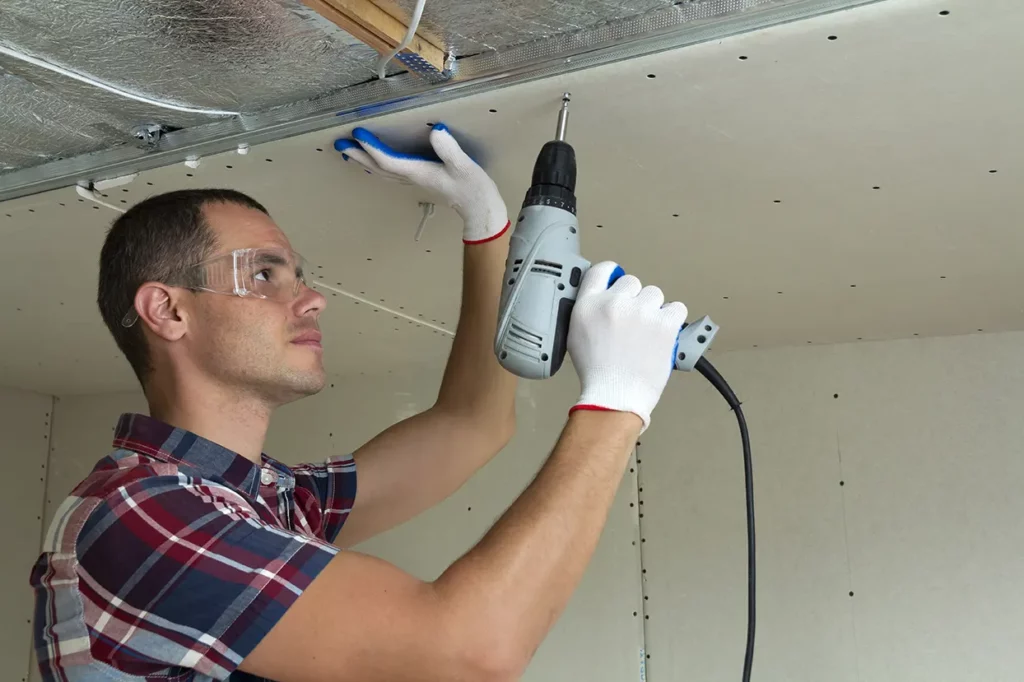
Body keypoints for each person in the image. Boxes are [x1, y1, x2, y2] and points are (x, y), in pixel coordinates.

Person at [29, 124, 688, 682]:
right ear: (167, 310)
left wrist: (489, 229)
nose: (313, 298)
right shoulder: (135, 515)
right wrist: (617, 403)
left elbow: (471, 424)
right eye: (263, 273)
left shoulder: (262, 500)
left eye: (300, 274)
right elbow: (469, 652)